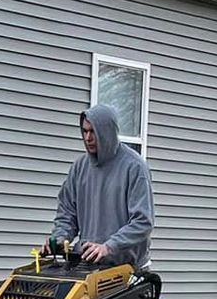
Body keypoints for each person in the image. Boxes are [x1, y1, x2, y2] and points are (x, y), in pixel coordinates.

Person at [50, 103, 153, 267]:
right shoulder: (79, 167)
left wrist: (109, 247)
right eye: (85, 131)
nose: (88, 138)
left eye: (93, 132)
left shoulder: (134, 167)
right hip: (90, 266)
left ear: (107, 132)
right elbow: (67, 214)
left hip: (128, 270)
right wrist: (59, 239)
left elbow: (142, 222)